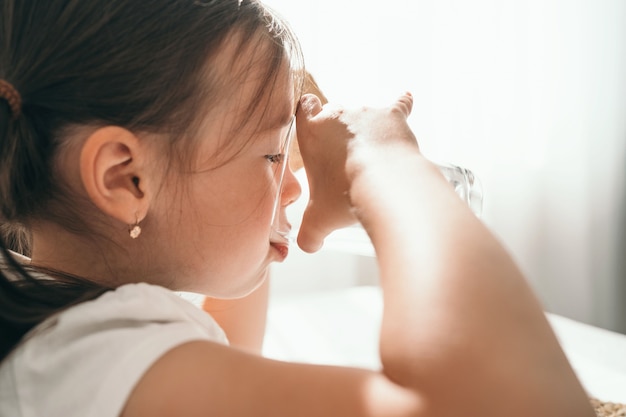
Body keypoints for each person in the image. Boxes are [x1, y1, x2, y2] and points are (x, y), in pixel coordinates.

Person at [0, 0, 595, 416]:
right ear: (126, 178)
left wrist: (268, 159)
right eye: (270, 158)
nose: (291, 184)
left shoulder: (59, 322)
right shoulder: (92, 362)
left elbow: (226, 359)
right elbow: (521, 405)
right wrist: (381, 162)